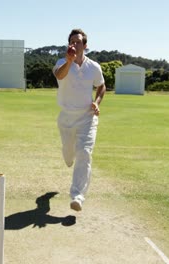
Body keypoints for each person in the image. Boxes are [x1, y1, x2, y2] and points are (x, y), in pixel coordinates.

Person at [52, 28, 106, 211]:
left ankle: (77, 196)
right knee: (69, 155)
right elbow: (59, 75)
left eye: (78, 42)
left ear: (85, 45)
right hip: (66, 118)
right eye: (72, 42)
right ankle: (68, 155)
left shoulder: (94, 67)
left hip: (87, 119)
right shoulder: (61, 62)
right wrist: (69, 61)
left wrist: (97, 102)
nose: (75, 44)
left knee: (84, 153)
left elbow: (101, 86)